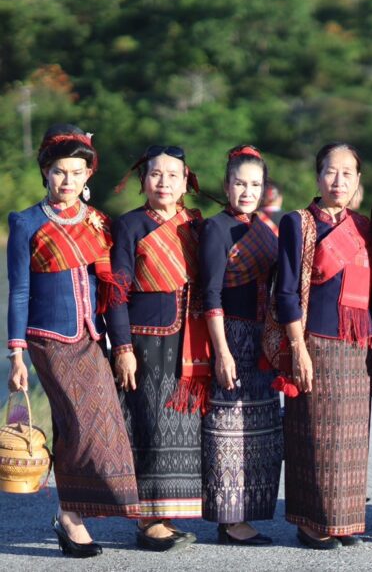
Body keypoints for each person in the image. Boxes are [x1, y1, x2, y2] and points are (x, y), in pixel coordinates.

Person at [6, 125, 139, 558]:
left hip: (90, 336)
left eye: (77, 173)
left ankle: (73, 513)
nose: (68, 181)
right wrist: (17, 354)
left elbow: (110, 288)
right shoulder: (26, 222)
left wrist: (120, 345)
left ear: (88, 177)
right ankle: (70, 516)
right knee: (83, 423)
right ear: (46, 173)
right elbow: (19, 291)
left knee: (91, 422)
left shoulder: (99, 222)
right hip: (48, 339)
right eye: (60, 172)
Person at [273, 142, 372, 549]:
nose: (339, 181)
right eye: (332, 172)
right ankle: (312, 521)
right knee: (313, 434)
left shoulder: (364, 227)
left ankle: (342, 519)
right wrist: (297, 347)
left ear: (358, 180)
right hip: (313, 340)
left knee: (350, 438)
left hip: (355, 345)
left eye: (348, 173)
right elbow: (284, 291)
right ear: (318, 177)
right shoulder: (298, 223)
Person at [108, 145, 210, 551]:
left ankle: (168, 514)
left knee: (182, 427)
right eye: (155, 174)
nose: (164, 182)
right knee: (148, 424)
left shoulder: (197, 225)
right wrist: (122, 347)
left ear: (186, 181)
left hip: (189, 339)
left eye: (172, 174)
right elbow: (115, 292)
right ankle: (148, 520)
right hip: (145, 340)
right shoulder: (129, 225)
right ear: (143, 181)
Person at [198, 146, 282, 545]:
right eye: (239, 183)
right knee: (227, 426)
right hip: (230, 334)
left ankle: (248, 512)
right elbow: (209, 293)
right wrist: (223, 352)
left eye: (255, 184)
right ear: (226, 185)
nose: (247, 191)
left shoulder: (265, 227)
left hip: (262, 336)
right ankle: (229, 520)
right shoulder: (216, 229)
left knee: (259, 426)